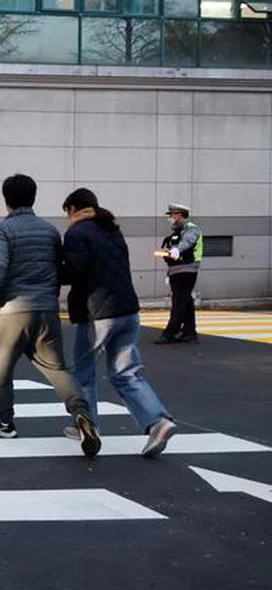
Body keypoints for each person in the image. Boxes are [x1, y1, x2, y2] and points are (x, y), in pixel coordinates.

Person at [0, 174, 100, 458]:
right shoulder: (49, 231)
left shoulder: (2, 231)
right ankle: (83, 415)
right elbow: (59, 268)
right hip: (46, 309)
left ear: (6, 199)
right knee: (58, 369)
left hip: (13, 311)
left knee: (1, 371)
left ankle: (5, 422)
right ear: (33, 197)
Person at [62, 189, 178, 458]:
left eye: (66, 211)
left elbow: (75, 273)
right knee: (127, 373)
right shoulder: (111, 229)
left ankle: (89, 427)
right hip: (128, 310)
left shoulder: (77, 233)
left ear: (74, 208)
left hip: (97, 314)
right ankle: (158, 421)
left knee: (83, 373)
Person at [156, 203, 202, 345]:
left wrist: (177, 250)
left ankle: (170, 332)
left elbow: (187, 242)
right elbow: (168, 251)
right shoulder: (175, 233)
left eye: (172, 215)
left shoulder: (191, 229)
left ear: (180, 214)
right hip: (176, 271)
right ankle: (189, 332)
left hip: (187, 269)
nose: (170, 217)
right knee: (186, 301)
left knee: (179, 302)